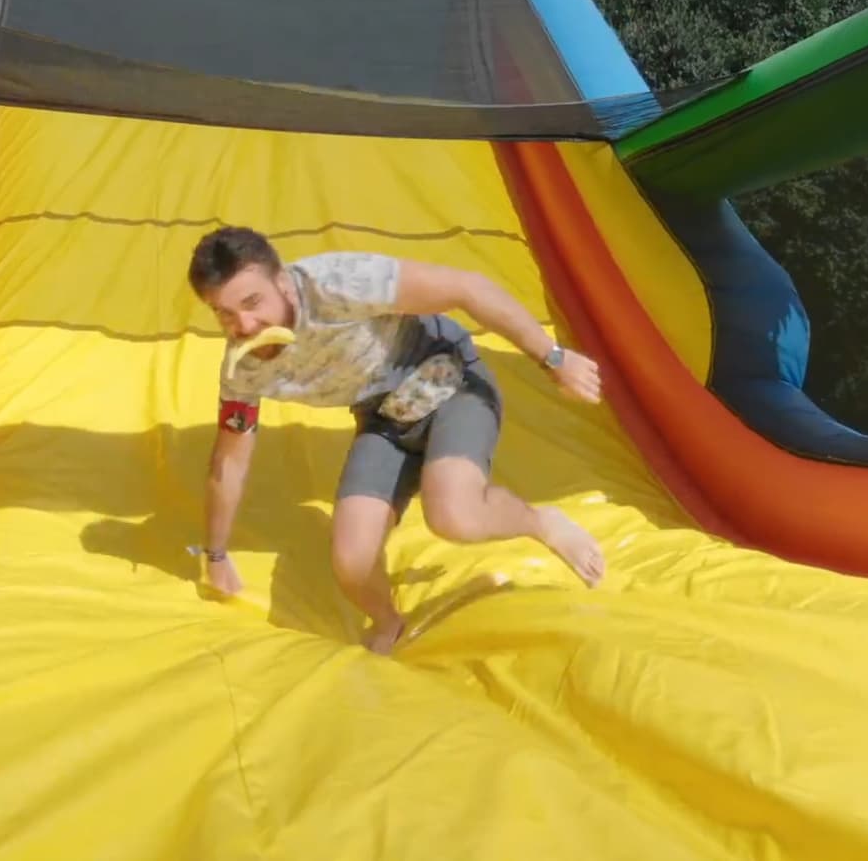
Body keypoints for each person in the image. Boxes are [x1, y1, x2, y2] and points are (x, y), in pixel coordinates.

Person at [186, 225, 607, 654]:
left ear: (281, 282)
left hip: (447, 378)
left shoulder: (335, 284)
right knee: (352, 563)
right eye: (225, 314)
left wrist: (553, 358)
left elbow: (468, 287)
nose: (245, 326)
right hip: (385, 416)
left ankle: (541, 522)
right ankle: (389, 621)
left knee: (454, 515)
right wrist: (215, 554)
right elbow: (229, 464)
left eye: (252, 303)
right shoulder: (244, 370)